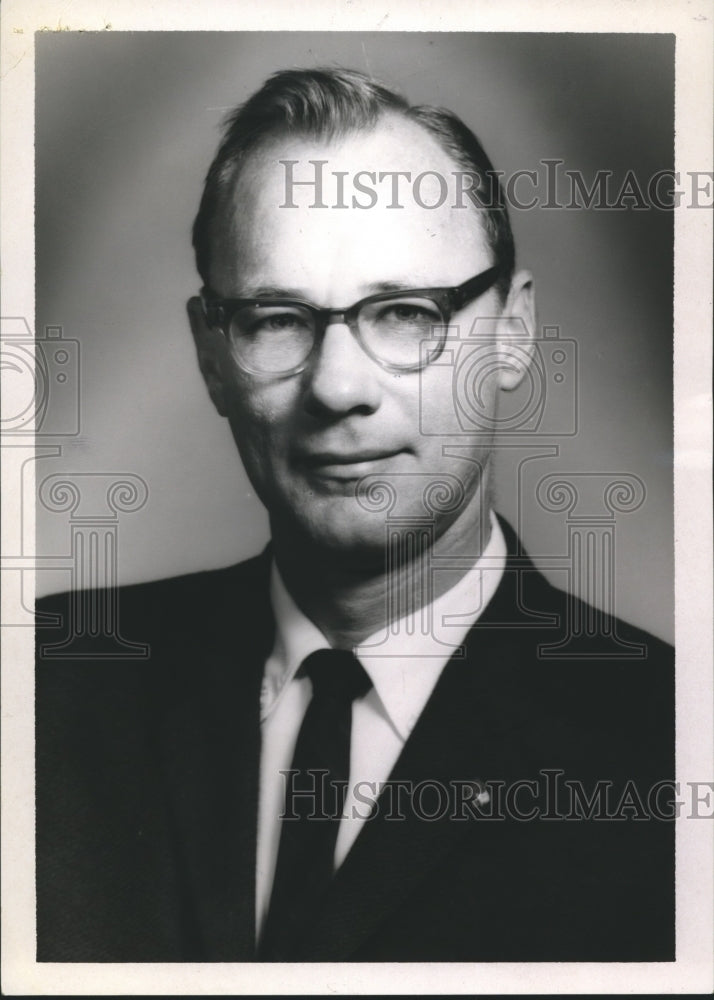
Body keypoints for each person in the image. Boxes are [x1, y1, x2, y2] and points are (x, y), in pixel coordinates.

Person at [36, 68, 674, 963]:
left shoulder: (673, 745)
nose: (337, 388)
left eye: (406, 313)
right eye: (275, 319)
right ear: (211, 356)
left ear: (514, 331)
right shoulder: (38, 691)